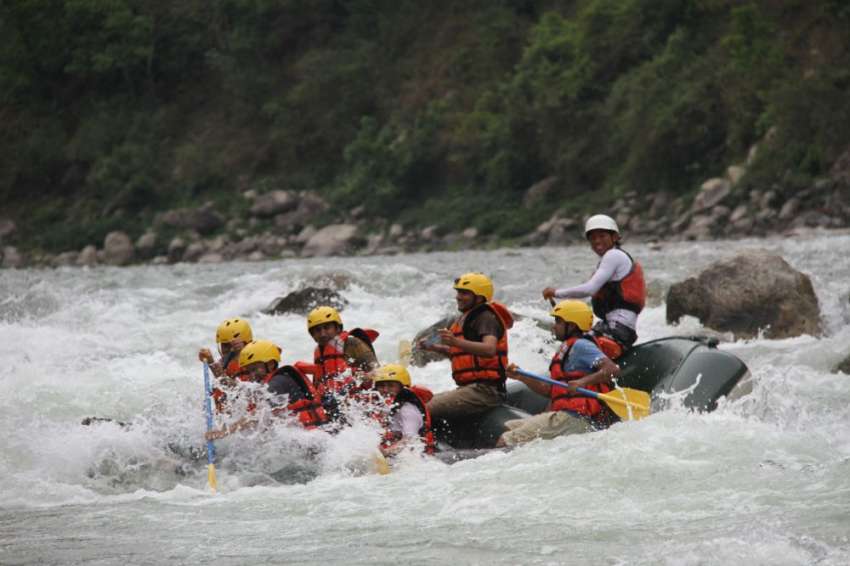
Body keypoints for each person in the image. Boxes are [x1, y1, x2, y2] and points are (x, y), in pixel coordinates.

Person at [496, 300, 620, 447]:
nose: (554, 326)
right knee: (510, 426)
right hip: (565, 416)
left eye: (558, 321)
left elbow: (612, 370)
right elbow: (550, 391)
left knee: (506, 440)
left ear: (572, 325)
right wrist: (522, 377)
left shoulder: (581, 345)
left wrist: (582, 382)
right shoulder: (566, 348)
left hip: (576, 418)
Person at [542, 214, 646, 359]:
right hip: (615, 328)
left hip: (618, 331)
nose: (597, 241)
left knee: (571, 344)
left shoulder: (614, 256)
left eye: (602, 236)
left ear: (614, 237)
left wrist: (556, 292)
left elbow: (590, 289)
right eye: (592, 238)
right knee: (568, 335)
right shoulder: (610, 259)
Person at [419, 273, 513, 421]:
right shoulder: (467, 318)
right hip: (470, 389)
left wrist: (455, 342)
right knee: (417, 403)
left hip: (486, 391)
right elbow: (460, 354)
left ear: (479, 297)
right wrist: (435, 348)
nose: (458, 297)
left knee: (420, 410)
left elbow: (489, 349)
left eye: (464, 293)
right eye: (458, 292)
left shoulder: (486, 317)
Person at [205, 339, 328, 439]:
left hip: (312, 440)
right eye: (249, 371)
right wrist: (211, 362)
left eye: (255, 369)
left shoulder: (278, 382)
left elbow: (256, 416)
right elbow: (236, 389)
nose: (252, 375)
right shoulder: (269, 383)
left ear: (270, 364)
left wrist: (224, 432)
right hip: (307, 436)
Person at [371, 364, 435, 456]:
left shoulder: (408, 410)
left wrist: (386, 452)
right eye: (381, 386)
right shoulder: (385, 405)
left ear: (402, 387)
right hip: (393, 449)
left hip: (419, 457)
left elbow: (410, 440)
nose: (385, 390)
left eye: (391, 386)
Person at [197, 318, 253, 412]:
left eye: (232, 345)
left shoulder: (254, 366)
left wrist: (211, 363)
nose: (228, 349)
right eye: (224, 345)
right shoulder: (223, 363)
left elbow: (235, 390)